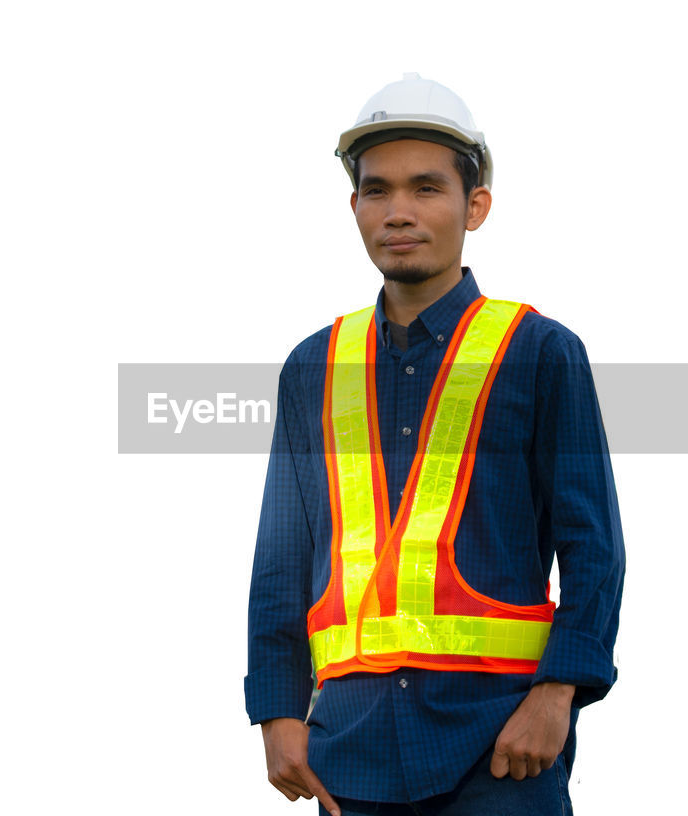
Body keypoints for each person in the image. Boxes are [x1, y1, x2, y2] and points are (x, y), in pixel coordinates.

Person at [245, 73, 626, 816]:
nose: (399, 211)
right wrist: (276, 707)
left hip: (501, 746)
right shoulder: (312, 369)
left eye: (426, 188)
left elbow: (594, 547)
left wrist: (557, 697)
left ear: (473, 206)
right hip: (347, 749)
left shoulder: (540, 353)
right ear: (353, 206)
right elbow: (280, 559)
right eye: (378, 190)